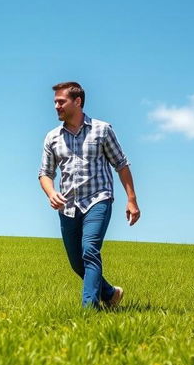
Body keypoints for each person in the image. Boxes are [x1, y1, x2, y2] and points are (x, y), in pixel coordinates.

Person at [38, 81, 140, 309]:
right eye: (55, 102)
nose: (56, 106)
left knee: (90, 250)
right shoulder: (52, 137)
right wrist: (51, 192)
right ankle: (111, 293)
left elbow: (121, 165)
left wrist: (131, 199)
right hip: (68, 206)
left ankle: (89, 309)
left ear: (78, 102)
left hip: (98, 200)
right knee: (77, 262)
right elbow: (45, 173)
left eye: (61, 101)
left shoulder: (102, 130)